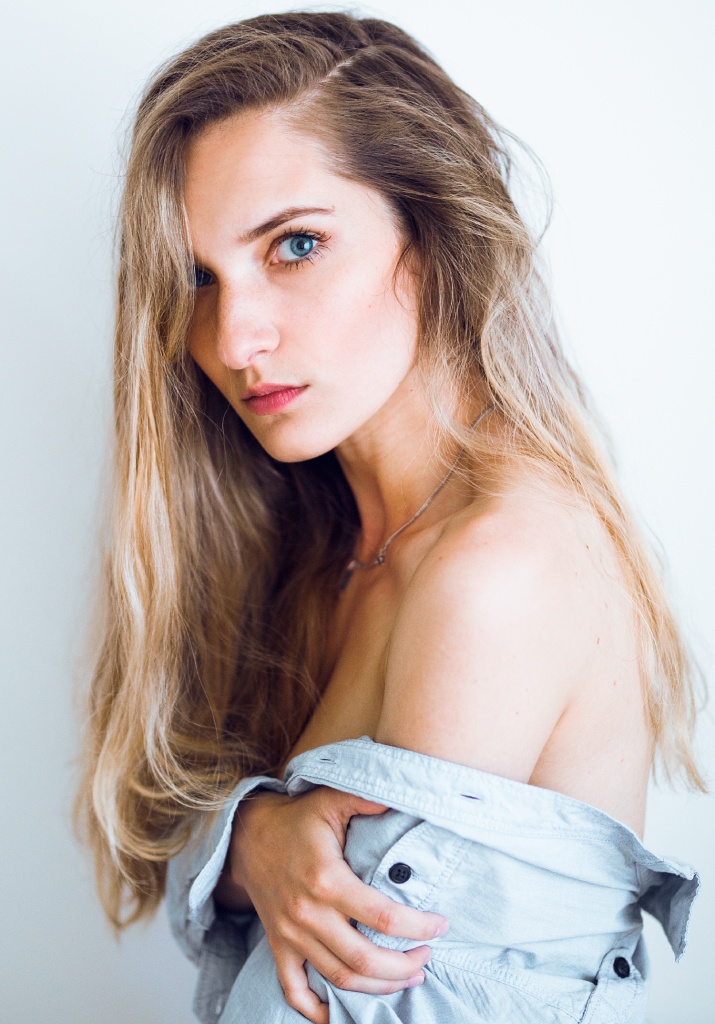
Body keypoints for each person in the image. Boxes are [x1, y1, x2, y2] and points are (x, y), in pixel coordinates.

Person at [75, 11, 704, 1024]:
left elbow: (342, 996)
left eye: (296, 245)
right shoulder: (323, 546)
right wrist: (254, 838)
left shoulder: (495, 570)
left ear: (430, 231)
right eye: (197, 279)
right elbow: (180, 835)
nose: (233, 338)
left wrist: (250, 848)